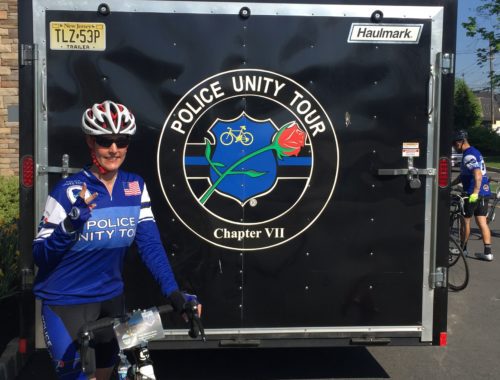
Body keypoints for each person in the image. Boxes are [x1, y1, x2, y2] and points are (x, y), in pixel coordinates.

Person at [33, 100, 195, 380]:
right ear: (90, 142)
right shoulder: (68, 191)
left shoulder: (134, 187)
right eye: (105, 140)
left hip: (110, 300)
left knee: (109, 375)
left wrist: (174, 292)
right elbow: (40, 255)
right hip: (66, 303)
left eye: (122, 141)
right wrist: (71, 224)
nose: (113, 149)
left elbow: (150, 247)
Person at [451, 129, 493, 261]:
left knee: (465, 222)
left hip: (473, 194)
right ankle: (488, 252)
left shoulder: (469, 155)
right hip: (485, 192)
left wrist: (474, 192)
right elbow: (464, 175)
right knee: (482, 222)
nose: (454, 147)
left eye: (454, 144)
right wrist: (451, 184)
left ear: (460, 142)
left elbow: (478, 175)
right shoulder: (475, 152)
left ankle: (462, 249)